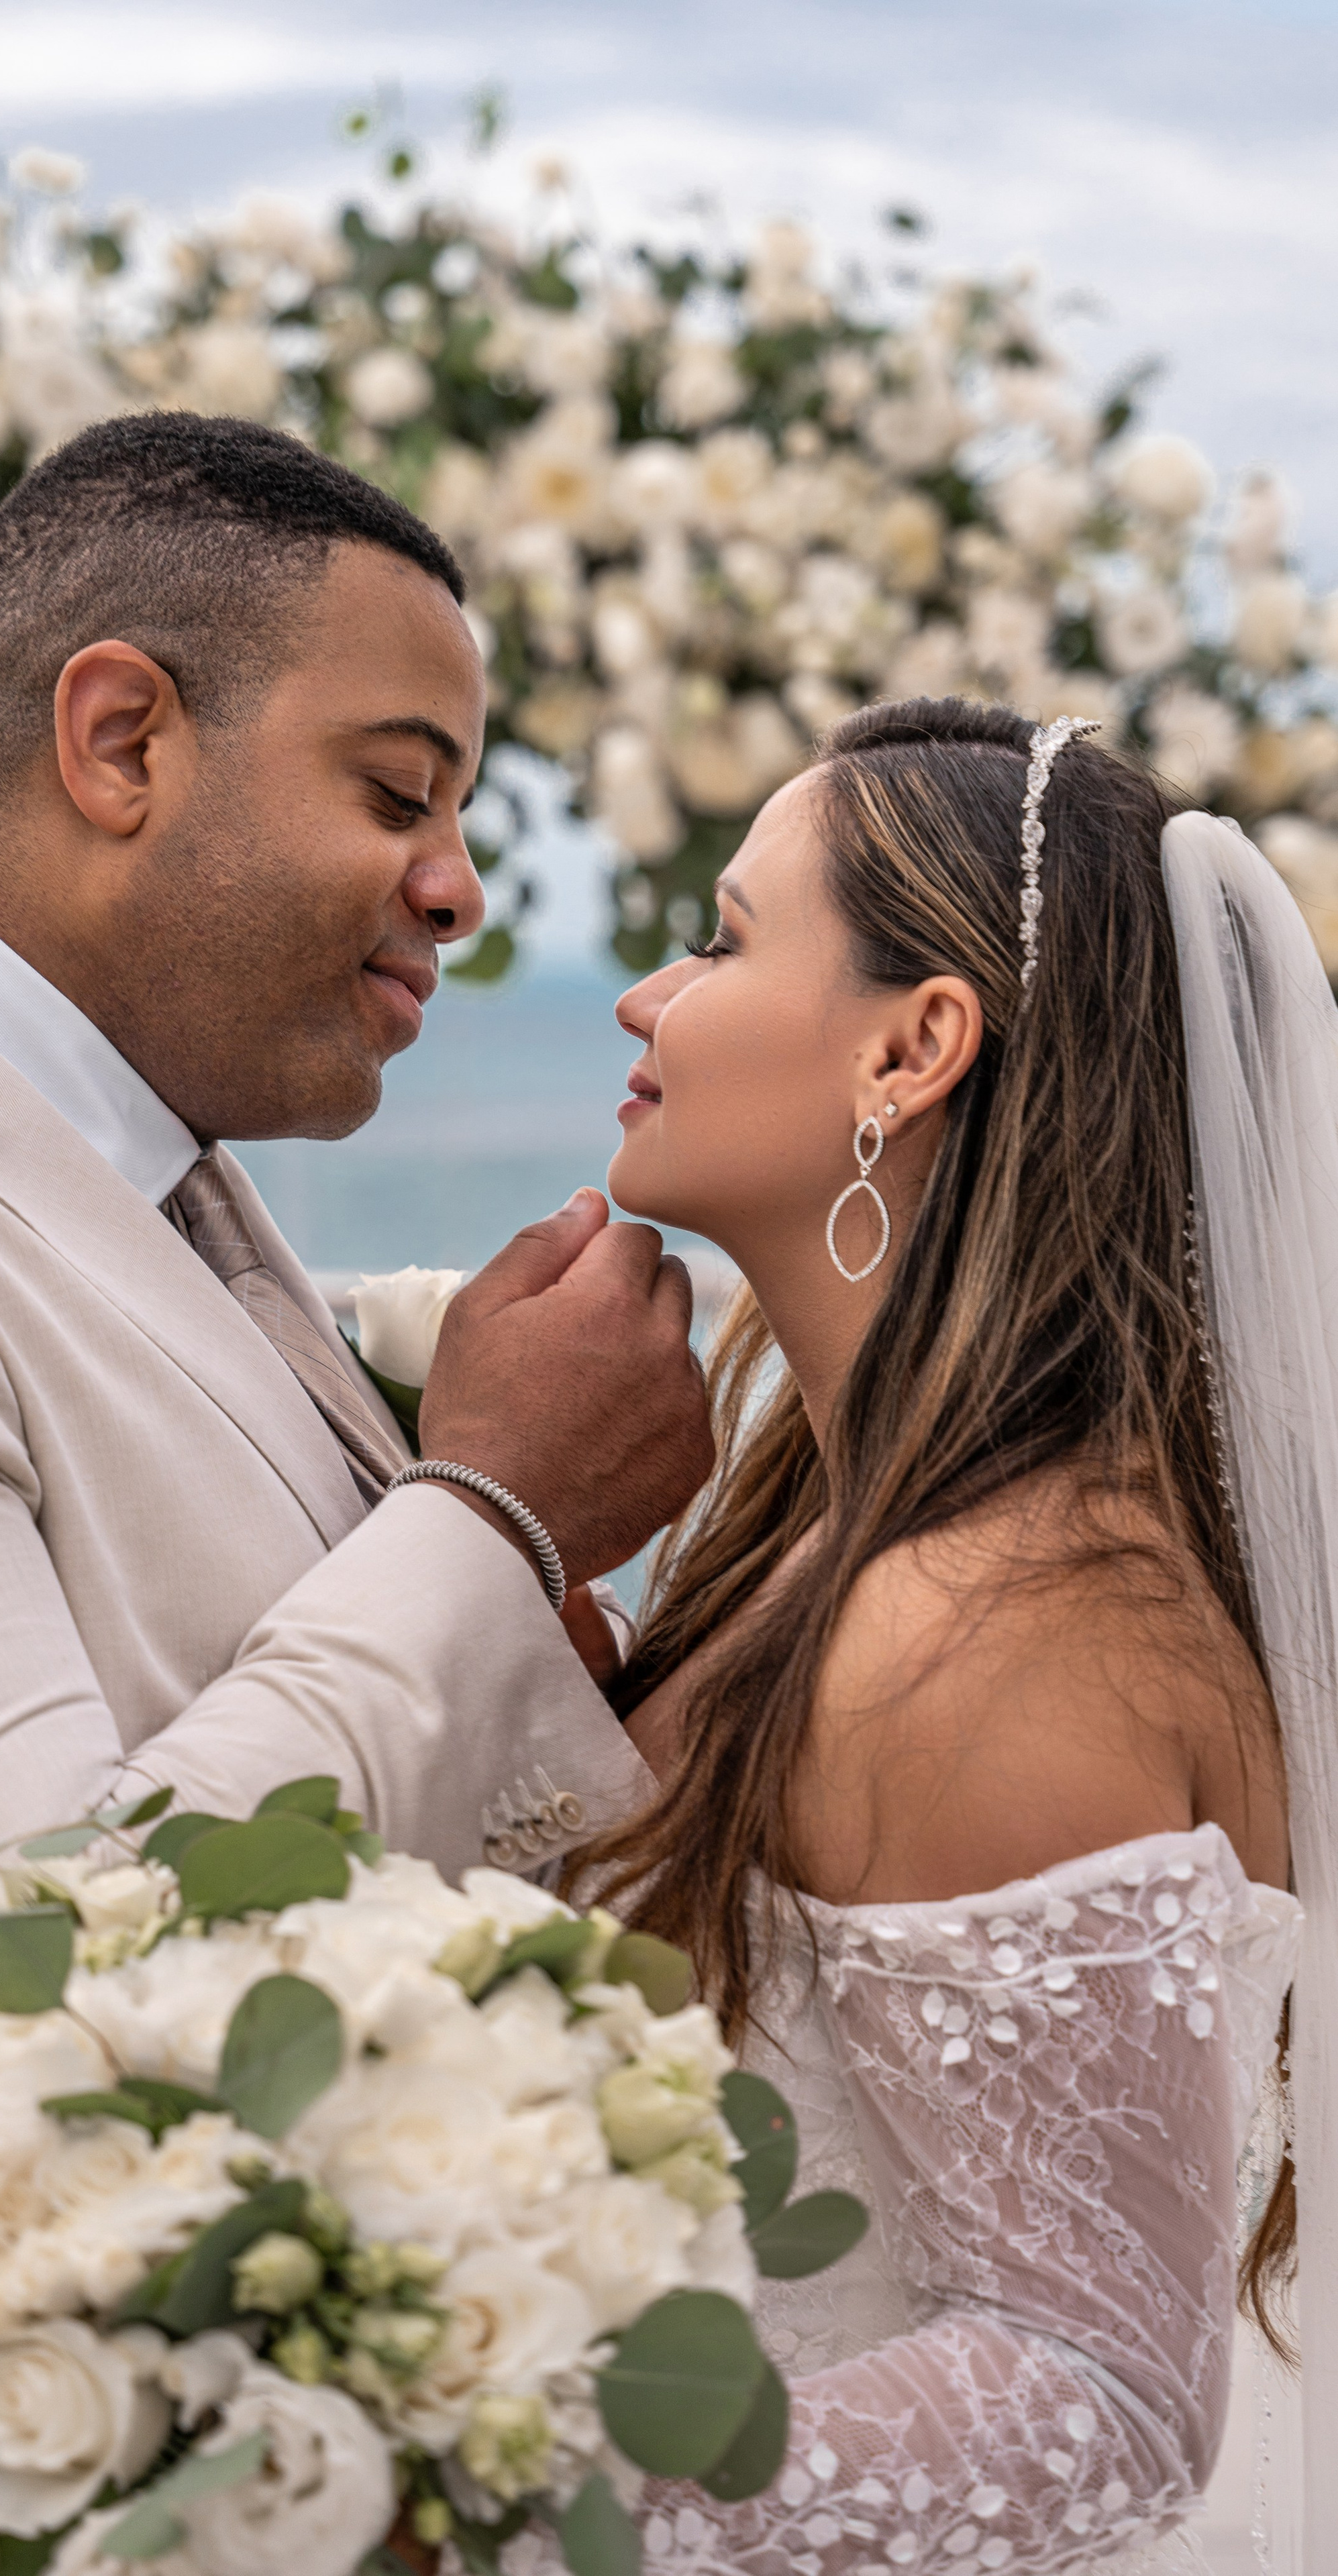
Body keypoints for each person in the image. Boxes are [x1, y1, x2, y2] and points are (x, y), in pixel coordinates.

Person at [0, 415, 711, 2573]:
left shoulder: (179, 1211)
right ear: (119, 737)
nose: (463, 889)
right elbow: (17, 1996)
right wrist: (490, 1517)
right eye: (398, 792)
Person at [533, 696, 1335, 2572]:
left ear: (913, 1044)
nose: (651, 994)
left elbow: (1099, 2386)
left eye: (725, 938)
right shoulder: (829, 1532)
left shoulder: (1001, 1625)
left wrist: (481, 2501)